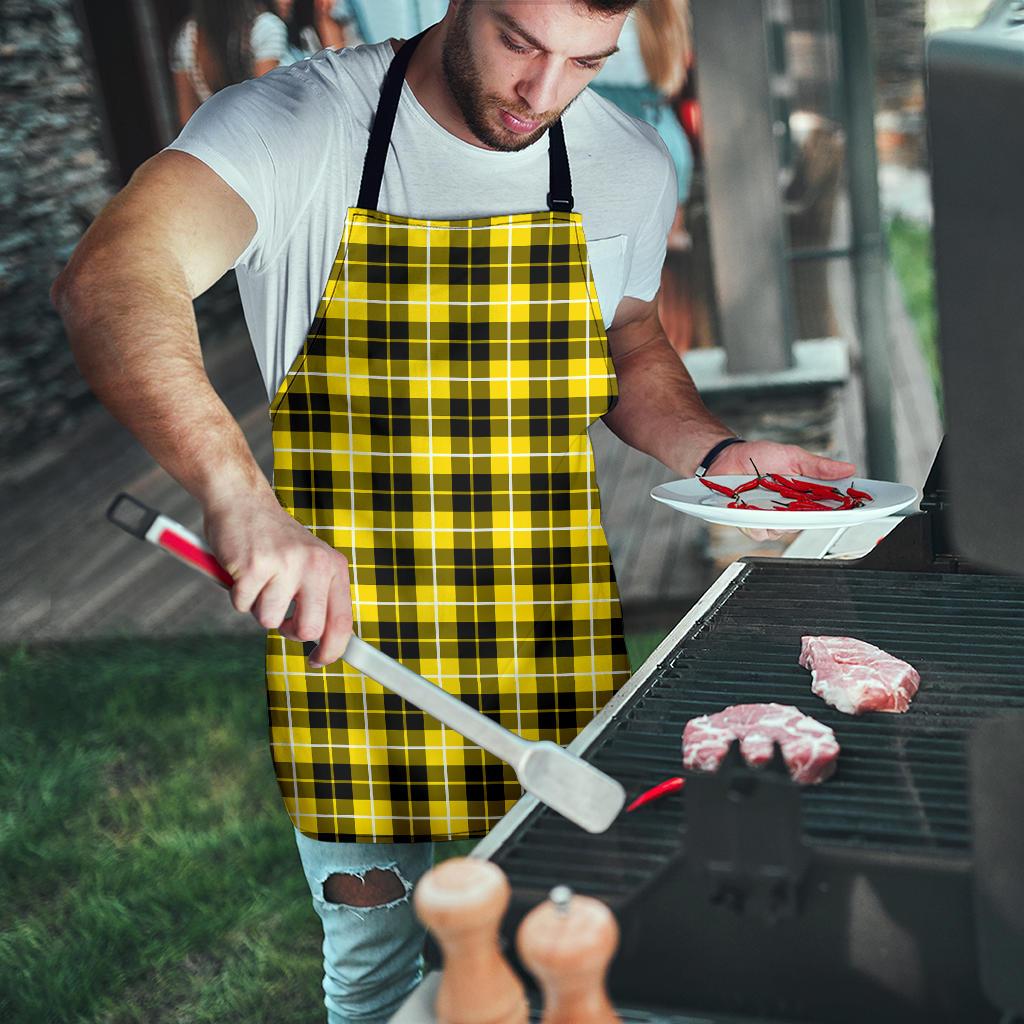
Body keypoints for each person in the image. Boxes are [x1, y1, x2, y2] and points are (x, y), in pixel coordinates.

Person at [53, 2, 856, 1020]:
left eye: (585, 62)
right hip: (348, 649)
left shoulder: (625, 161)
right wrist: (238, 497)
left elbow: (630, 338)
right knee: (378, 974)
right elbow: (113, 275)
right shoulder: (298, 125)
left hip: (547, 635)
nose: (543, 93)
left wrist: (718, 449)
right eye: (521, 43)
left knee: (570, 953)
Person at [170, 0, 289, 128]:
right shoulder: (265, 27)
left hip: (217, 141)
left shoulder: (187, 36)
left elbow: (187, 119)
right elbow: (268, 107)